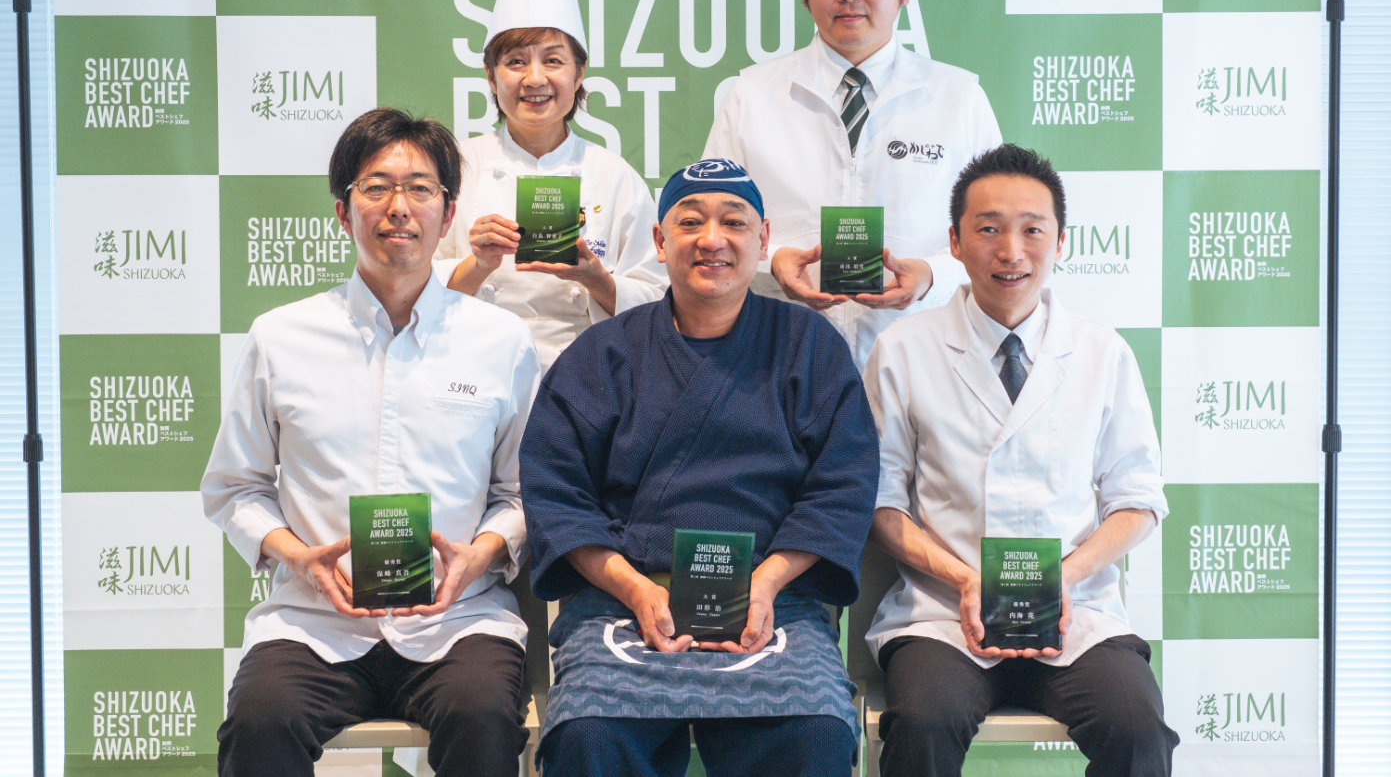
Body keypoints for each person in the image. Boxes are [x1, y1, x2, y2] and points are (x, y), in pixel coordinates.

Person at [203, 108, 541, 777]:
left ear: (447, 214)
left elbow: (523, 492)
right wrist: (300, 558)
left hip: (458, 621)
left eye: (420, 188)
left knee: (482, 718)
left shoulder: (500, 341)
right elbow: (234, 487)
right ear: (343, 210)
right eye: (376, 187)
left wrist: (478, 555)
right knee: (259, 723)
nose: (398, 207)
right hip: (314, 622)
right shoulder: (280, 337)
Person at [519, 159, 880, 777]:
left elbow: (842, 485)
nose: (712, 239)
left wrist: (766, 583)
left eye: (733, 222)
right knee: (588, 735)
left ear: (763, 239)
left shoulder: (809, 345)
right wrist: (634, 589)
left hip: (774, 600)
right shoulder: (602, 352)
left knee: (815, 732)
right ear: (660, 241)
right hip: (622, 602)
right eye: (690, 223)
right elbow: (557, 494)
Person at [863, 145, 1178, 777]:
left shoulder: (1101, 352)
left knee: (1138, 729)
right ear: (954, 242)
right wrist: (965, 581)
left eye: (1032, 230)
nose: (1011, 251)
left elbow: (1138, 499)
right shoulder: (903, 349)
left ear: (1060, 241)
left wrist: (1064, 577)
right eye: (988, 229)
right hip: (941, 617)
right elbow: (880, 503)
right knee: (922, 724)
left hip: (1074, 614)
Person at [704, 0, 1003, 370]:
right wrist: (771, 263)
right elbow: (711, 222)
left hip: (925, 365)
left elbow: (998, 233)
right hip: (778, 364)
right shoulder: (751, 95)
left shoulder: (959, 98)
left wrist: (931, 275)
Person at [438, 0, 666, 371]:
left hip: (590, 376)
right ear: (490, 76)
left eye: (554, 60)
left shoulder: (614, 177)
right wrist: (477, 264)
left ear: (579, 73)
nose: (535, 78)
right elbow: (409, 289)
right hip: (472, 371)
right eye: (515, 61)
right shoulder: (454, 168)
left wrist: (596, 278)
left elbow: (659, 299)